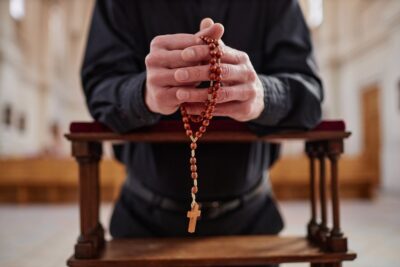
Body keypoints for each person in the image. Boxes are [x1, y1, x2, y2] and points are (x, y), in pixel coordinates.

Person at [81, 0, 323, 239]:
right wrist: (143, 94)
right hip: (143, 223)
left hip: (251, 223)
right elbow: (99, 88)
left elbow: (310, 98)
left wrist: (264, 94)